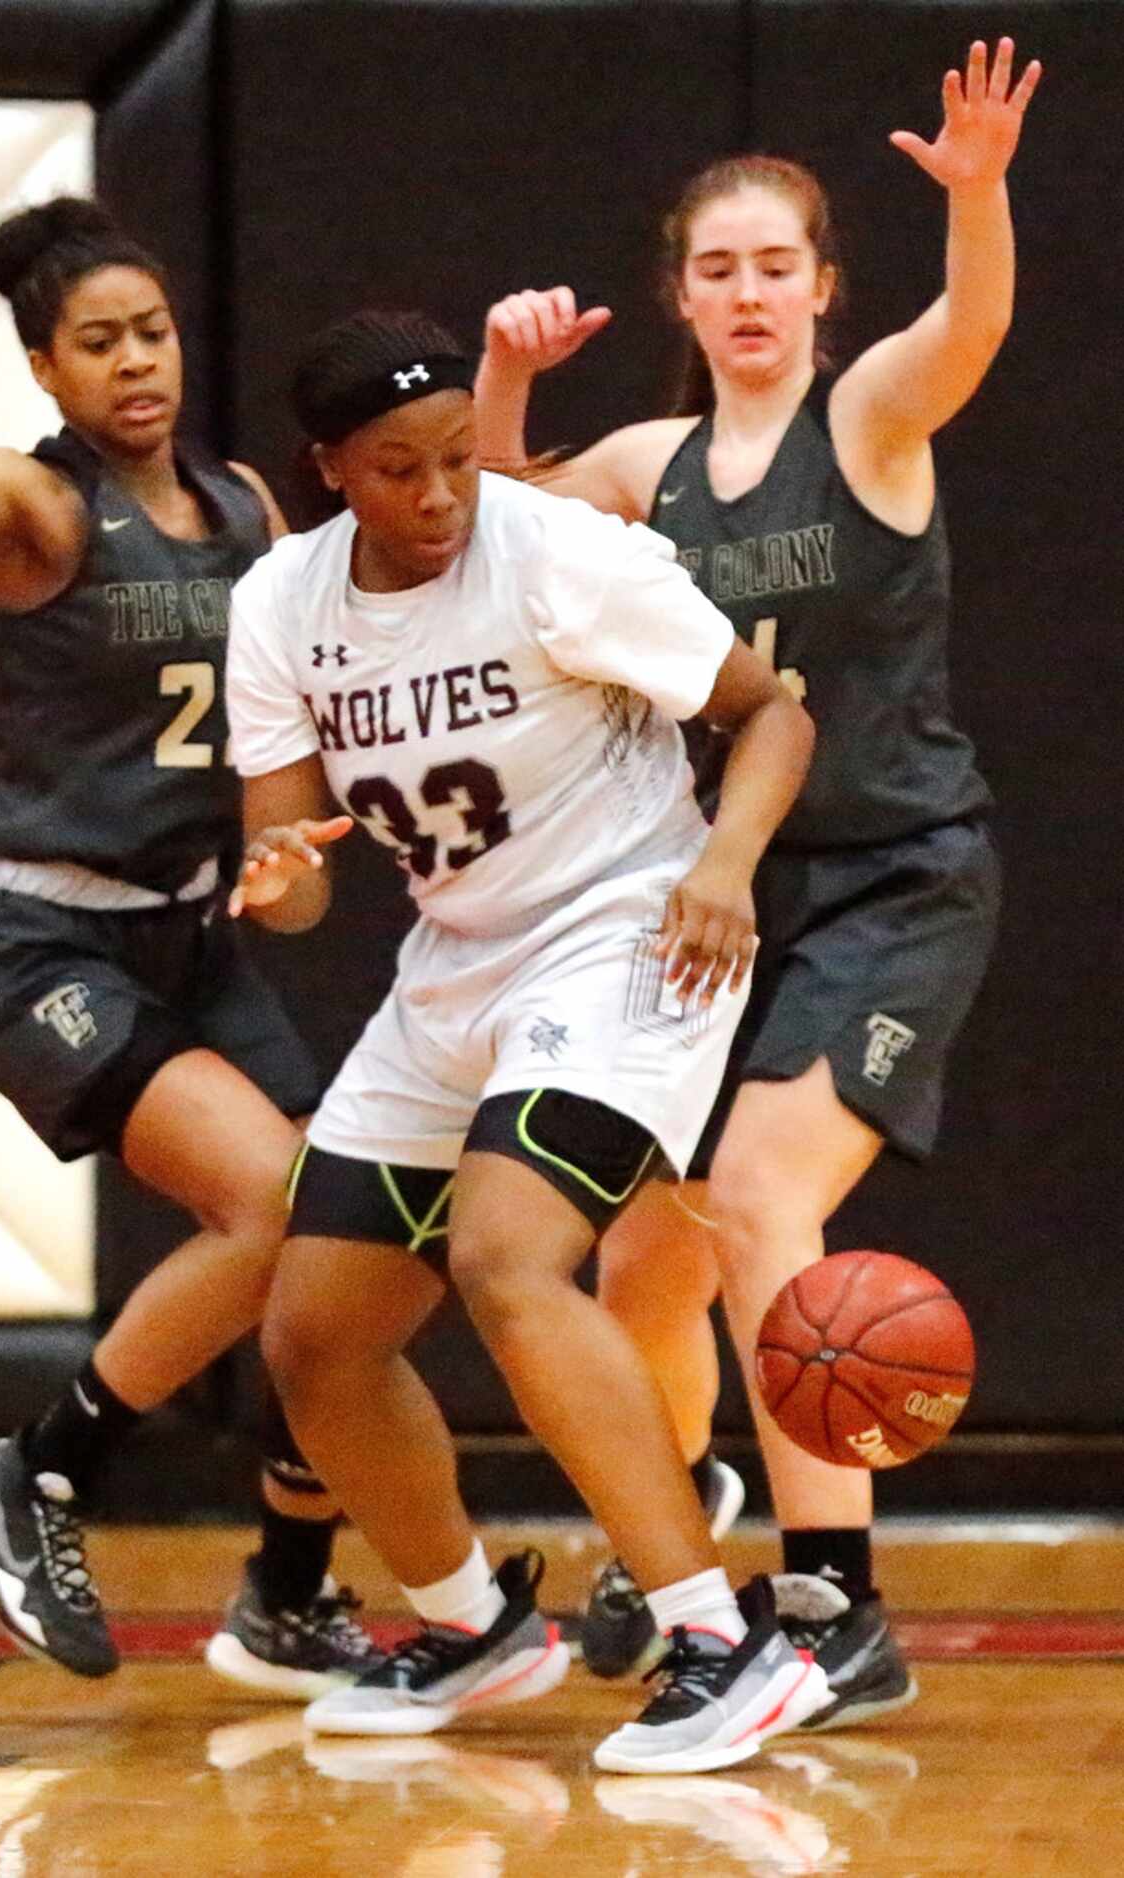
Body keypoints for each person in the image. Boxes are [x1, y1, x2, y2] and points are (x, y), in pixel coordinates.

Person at [473, 38, 1040, 1719]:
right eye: (715, 268)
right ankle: (684, 1533)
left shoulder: (863, 417)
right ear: (679, 294)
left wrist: (980, 196)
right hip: (722, 891)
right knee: (641, 1261)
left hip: (895, 874)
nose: (745, 293)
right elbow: (499, 514)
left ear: (819, 293)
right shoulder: (647, 464)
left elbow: (977, 329)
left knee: (754, 1196)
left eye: (773, 267)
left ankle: (835, 1607)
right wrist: (506, 377)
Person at [225, 307, 824, 1774]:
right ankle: (470, 1618)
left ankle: (719, 1639)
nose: (438, 498)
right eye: (398, 471)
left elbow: (775, 718)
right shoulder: (280, 602)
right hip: (455, 965)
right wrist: (284, 876)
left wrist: (724, 863)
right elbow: (290, 868)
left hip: (631, 929)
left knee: (505, 1255)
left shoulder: (554, 552)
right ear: (330, 473)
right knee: (315, 1331)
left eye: (454, 462)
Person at [0, 199, 381, 1695]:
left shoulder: (251, 507)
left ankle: (287, 1585)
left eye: (152, 332)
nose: (138, 362)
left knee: (351, 1246)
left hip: (196, 938)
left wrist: (288, 873)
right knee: (270, 1204)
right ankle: (35, 1470)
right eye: (100, 343)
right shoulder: (33, 498)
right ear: (44, 367)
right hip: (45, 944)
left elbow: (293, 799)